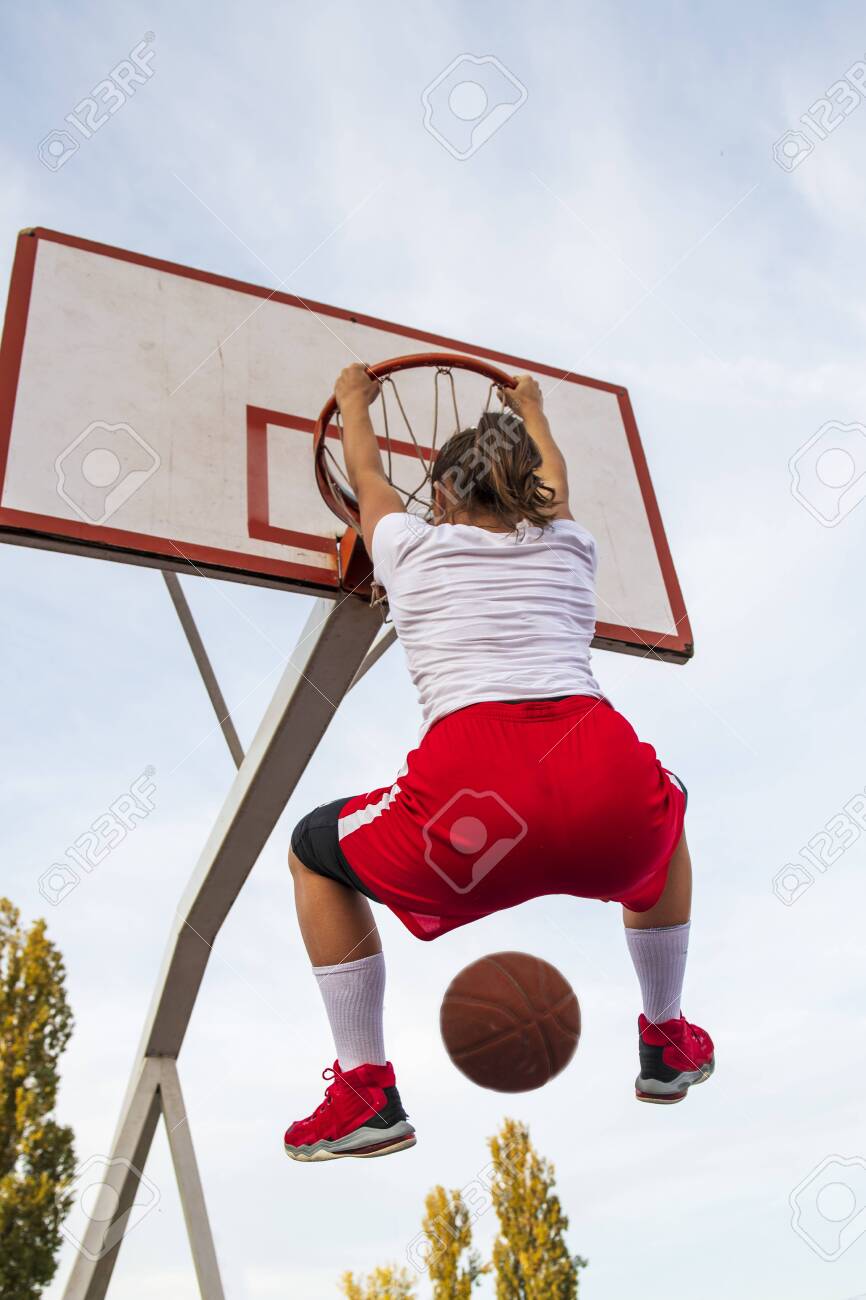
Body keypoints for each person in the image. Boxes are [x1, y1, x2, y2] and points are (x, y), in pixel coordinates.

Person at [283, 364, 714, 1162]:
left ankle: (365, 1087)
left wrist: (349, 400)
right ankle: (666, 1037)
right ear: (530, 490)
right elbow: (556, 476)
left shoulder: (408, 545)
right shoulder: (568, 544)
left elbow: (368, 473)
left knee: (313, 851)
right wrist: (533, 411)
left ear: (440, 498)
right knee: (671, 802)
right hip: (601, 771)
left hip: (474, 800)